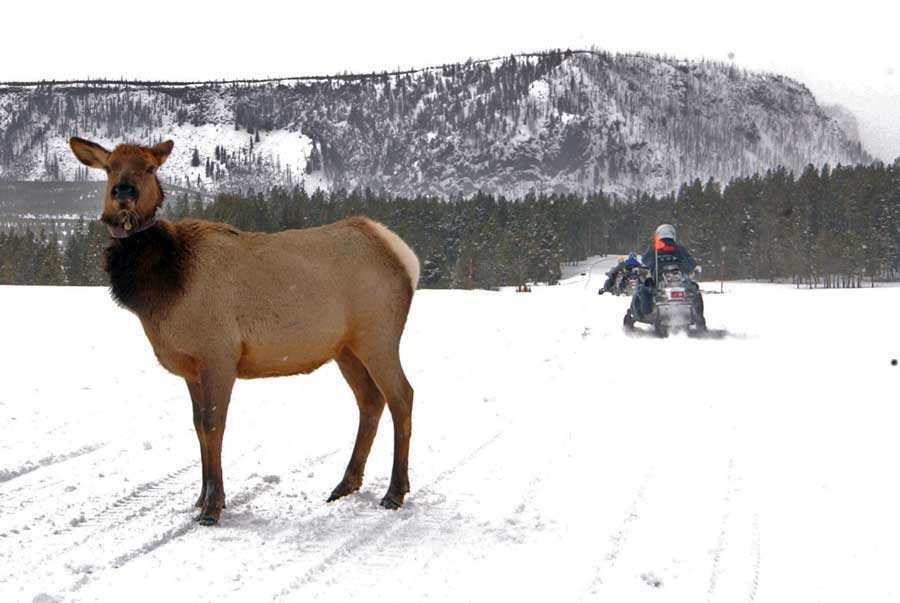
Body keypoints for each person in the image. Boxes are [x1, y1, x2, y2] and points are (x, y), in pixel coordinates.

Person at [630, 224, 706, 329]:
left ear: (658, 234)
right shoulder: (679, 248)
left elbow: (644, 262)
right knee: (695, 290)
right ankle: (700, 320)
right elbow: (691, 264)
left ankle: (644, 313)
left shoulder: (654, 248)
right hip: (681, 280)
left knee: (643, 289)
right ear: (672, 234)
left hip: (659, 280)